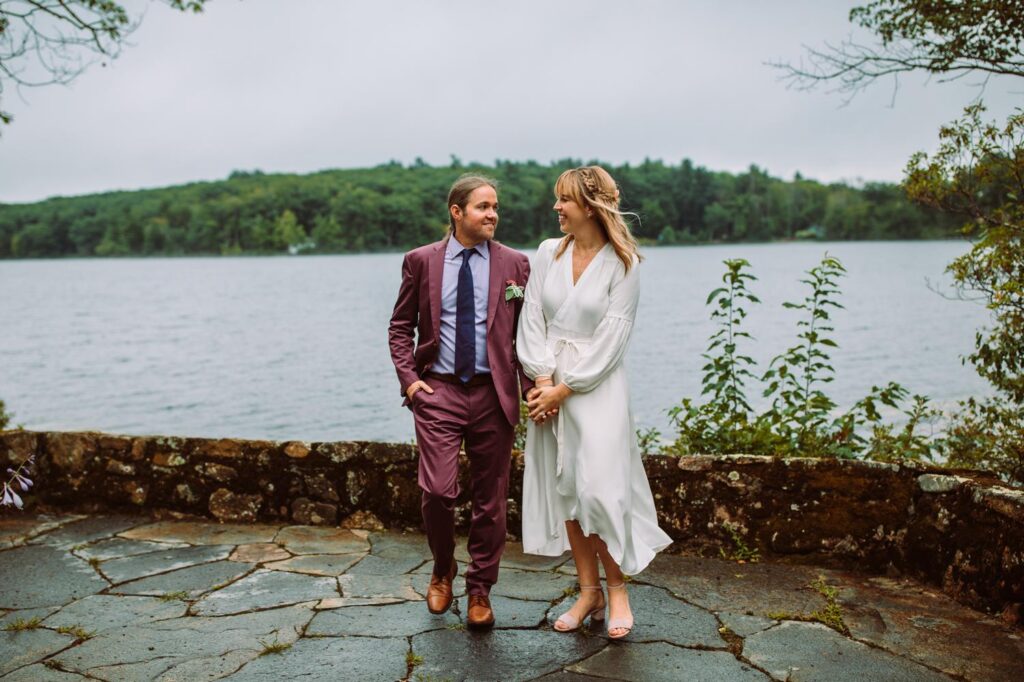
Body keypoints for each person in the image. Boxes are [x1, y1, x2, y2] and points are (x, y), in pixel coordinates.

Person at [516, 165, 672, 639]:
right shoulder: (547, 253)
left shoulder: (624, 263)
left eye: (564, 200)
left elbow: (614, 338)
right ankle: (588, 592)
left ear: (590, 206)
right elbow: (531, 320)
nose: (556, 208)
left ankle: (618, 588)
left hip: (597, 389)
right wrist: (543, 380)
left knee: (602, 491)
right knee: (567, 490)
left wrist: (566, 388)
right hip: (550, 385)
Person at [388, 174, 532, 630]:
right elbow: (399, 328)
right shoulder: (421, 261)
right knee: (437, 492)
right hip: (440, 391)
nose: (492, 214)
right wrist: (411, 382)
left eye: (495, 207)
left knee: (492, 501)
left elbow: (527, 334)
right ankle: (442, 567)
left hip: (494, 393)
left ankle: (480, 590)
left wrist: (531, 387)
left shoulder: (516, 265)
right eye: (483, 207)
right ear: (457, 212)